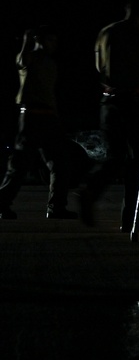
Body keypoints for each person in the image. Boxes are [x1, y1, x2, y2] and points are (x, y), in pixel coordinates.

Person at [79, 0, 139, 229]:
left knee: (114, 156)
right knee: (137, 160)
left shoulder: (106, 33)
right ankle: (131, 217)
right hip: (135, 100)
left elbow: (98, 67)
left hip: (109, 100)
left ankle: (91, 190)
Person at [0, 26, 75, 220]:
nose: (53, 45)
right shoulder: (29, 58)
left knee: (60, 163)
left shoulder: (51, 63)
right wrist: (27, 40)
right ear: (40, 40)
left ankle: (56, 207)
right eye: (50, 40)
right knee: (19, 165)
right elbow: (21, 61)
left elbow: (49, 94)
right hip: (32, 116)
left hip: (48, 116)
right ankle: (1, 203)